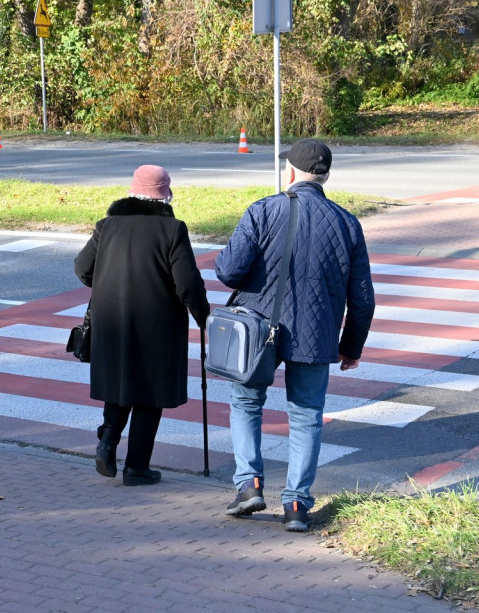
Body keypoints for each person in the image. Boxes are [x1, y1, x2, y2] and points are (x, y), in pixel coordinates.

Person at [215, 139, 375, 532]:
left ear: (289, 172)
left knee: (247, 402)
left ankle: (249, 486)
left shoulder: (263, 210)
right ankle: (297, 506)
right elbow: (363, 297)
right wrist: (350, 347)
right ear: (326, 175)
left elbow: (229, 272)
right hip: (316, 335)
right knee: (306, 417)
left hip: (257, 330)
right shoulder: (346, 222)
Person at [74, 165, 210, 486]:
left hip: (111, 320)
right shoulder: (172, 229)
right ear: (165, 194)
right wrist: (205, 319)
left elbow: (82, 268)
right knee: (150, 392)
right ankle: (136, 467)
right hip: (157, 325)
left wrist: (107, 284)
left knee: (121, 383)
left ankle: (108, 440)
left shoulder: (107, 226)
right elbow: (187, 284)